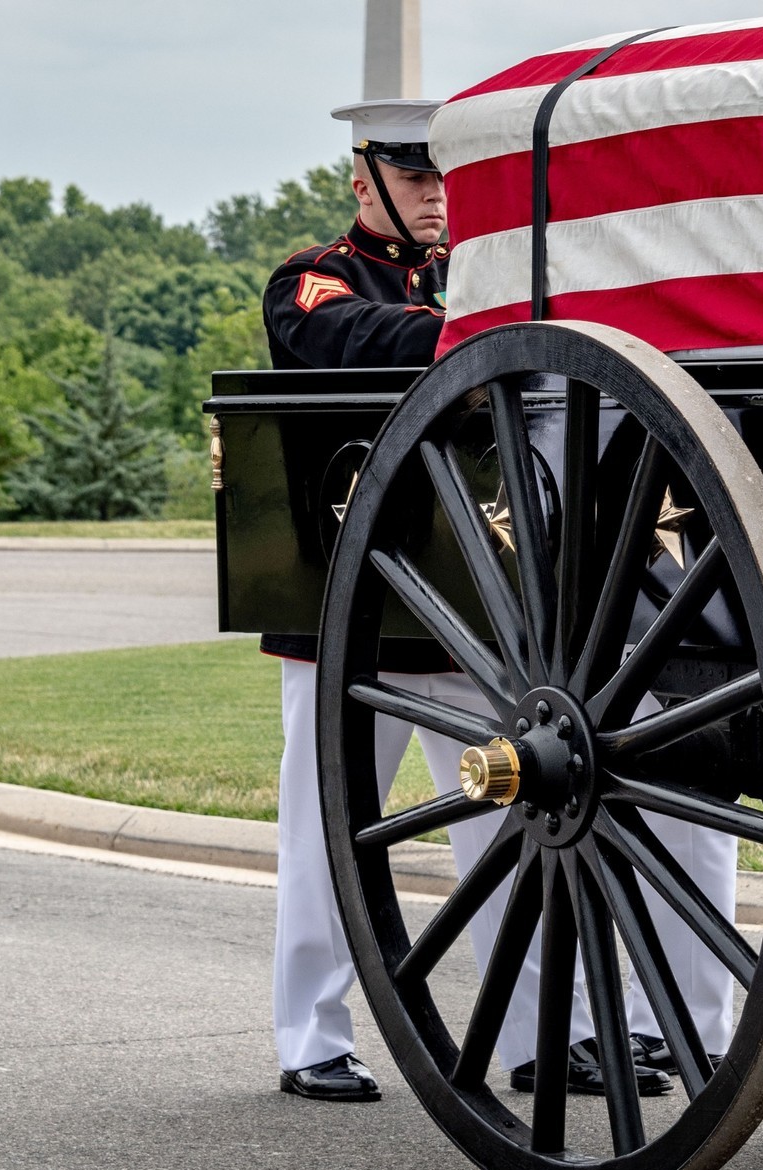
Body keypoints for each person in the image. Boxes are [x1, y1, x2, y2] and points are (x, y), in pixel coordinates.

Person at [262, 97, 737, 1102]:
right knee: (325, 828)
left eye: (446, 176)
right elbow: (344, 340)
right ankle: (310, 1035)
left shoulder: (491, 280)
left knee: (509, 841)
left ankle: (532, 1040)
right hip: (354, 616)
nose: (438, 195)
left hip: (477, 616)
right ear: (365, 183)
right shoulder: (318, 279)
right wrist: (473, 327)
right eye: (415, 177)